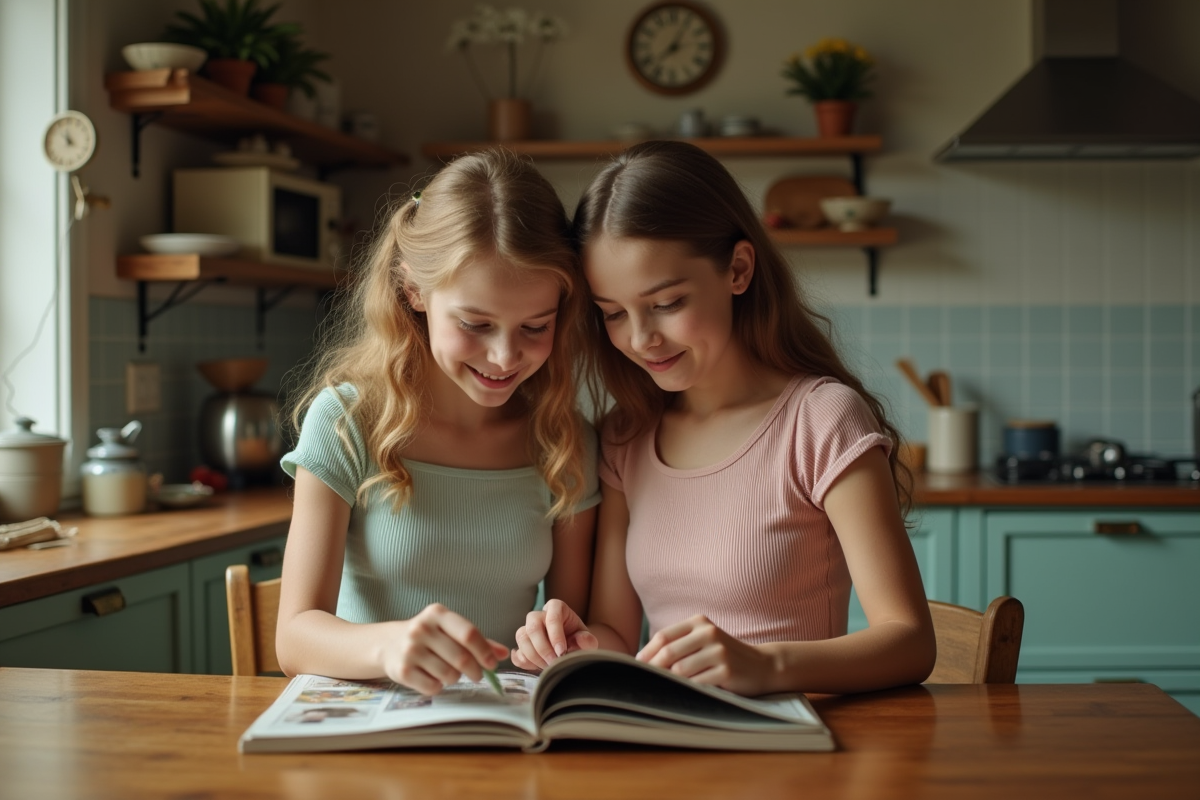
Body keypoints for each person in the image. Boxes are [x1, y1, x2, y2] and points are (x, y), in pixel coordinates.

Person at [512, 140, 936, 697]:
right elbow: (615, 631)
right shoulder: (626, 434)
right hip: (677, 748)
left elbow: (909, 640)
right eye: (613, 313)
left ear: (737, 269)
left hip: (790, 754)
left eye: (666, 303)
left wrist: (767, 667)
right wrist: (570, 644)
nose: (640, 339)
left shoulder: (820, 419)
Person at [276, 148, 599, 695]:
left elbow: (577, 627)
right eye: (475, 323)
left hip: (508, 727)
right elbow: (294, 637)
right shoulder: (348, 422)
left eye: (535, 326)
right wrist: (389, 645)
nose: (504, 356)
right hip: (372, 732)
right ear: (413, 291)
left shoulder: (566, 441)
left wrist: (560, 639)